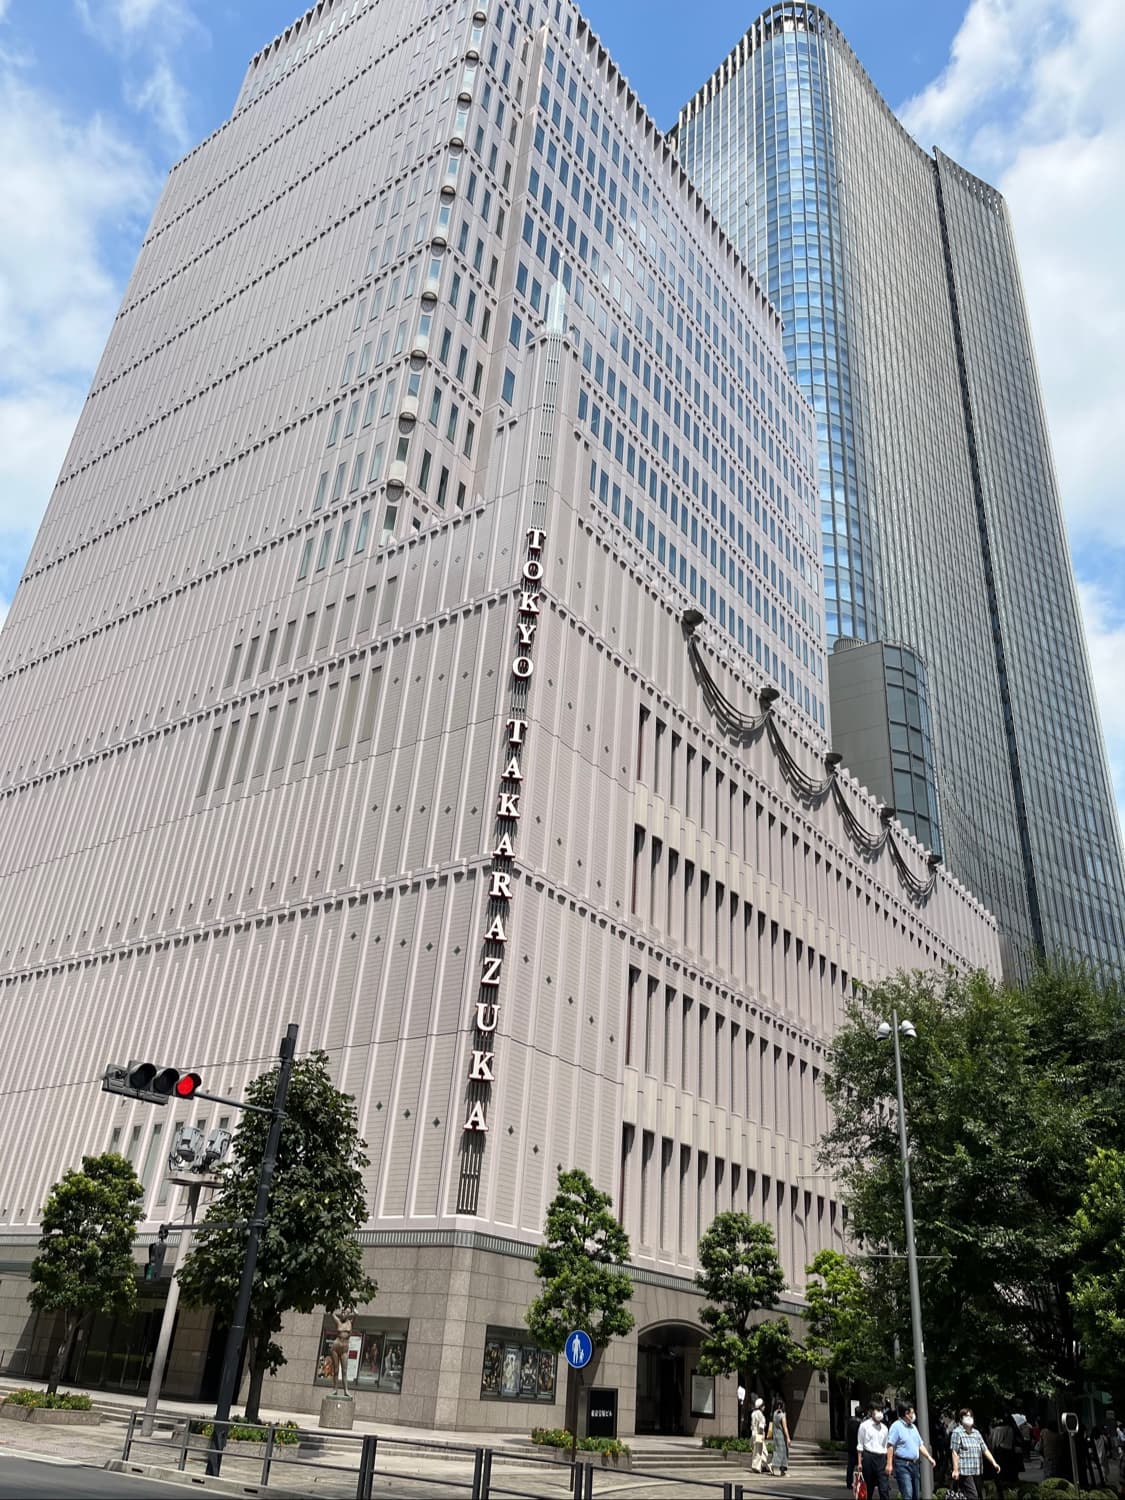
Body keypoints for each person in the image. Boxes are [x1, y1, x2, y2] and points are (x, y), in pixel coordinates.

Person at [887, 1402, 937, 1500]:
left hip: (914, 1464)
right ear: (906, 1413)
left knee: (916, 1495)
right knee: (907, 1493)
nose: (913, 1415)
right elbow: (890, 1445)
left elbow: (920, 1444)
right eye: (912, 1412)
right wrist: (889, 1464)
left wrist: (929, 1457)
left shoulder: (913, 1427)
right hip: (902, 1464)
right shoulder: (896, 1426)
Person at [950, 1408, 1001, 1500]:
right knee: (973, 1496)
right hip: (965, 1471)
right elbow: (955, 1452)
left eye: (970, 1416)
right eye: (966, 1416)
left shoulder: (976, 1433)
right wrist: (955, 1469)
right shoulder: (957, 1432)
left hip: (977, 1470)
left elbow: (985, 1449)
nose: (969, 1418)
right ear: (961, 1418)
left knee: (977, 1495)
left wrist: (994, 1463)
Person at [858, 1403, 891, 1500]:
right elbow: (860, 1445)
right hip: (869, 1457)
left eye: (880, 1410)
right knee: (869, 1488)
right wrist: (859, 1463)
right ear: (871, 1412)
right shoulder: (864, 1426)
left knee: (884, 1488)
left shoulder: (884, 1428)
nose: (879, 1413)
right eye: (877, 1410)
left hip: (881, 1458)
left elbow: (887, 1446)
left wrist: (889, 1462)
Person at [770, 1398, 791, 1476]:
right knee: (783, 1453)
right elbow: (785, 1428)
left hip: (775, 1436)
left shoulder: (775, 1413)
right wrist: (788, 1438)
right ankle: (782, 1470)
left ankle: (773, 1466)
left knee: (776, 1451)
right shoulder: (782, 1415)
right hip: (781, 1436)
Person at [751, 1396, 769, 1473]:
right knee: (761, 1451)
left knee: (756, 1451)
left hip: (753, 1434)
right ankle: (758, 1467)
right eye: (763, 1405)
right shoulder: (760, 1415)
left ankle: (759, 1465)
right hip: (759, 1434)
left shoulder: (753, 1413)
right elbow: (761, 1426)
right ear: (760, 1406)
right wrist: (762, 1435)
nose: (764, 1407)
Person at [846, 1405, 863, 1491]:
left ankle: (849, 1483)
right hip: (858, 1447)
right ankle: (861, 1482)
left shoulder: (850, 1421)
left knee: (850, 1466)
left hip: (850, 1446)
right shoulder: (861, 1423)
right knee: (860, 1466)